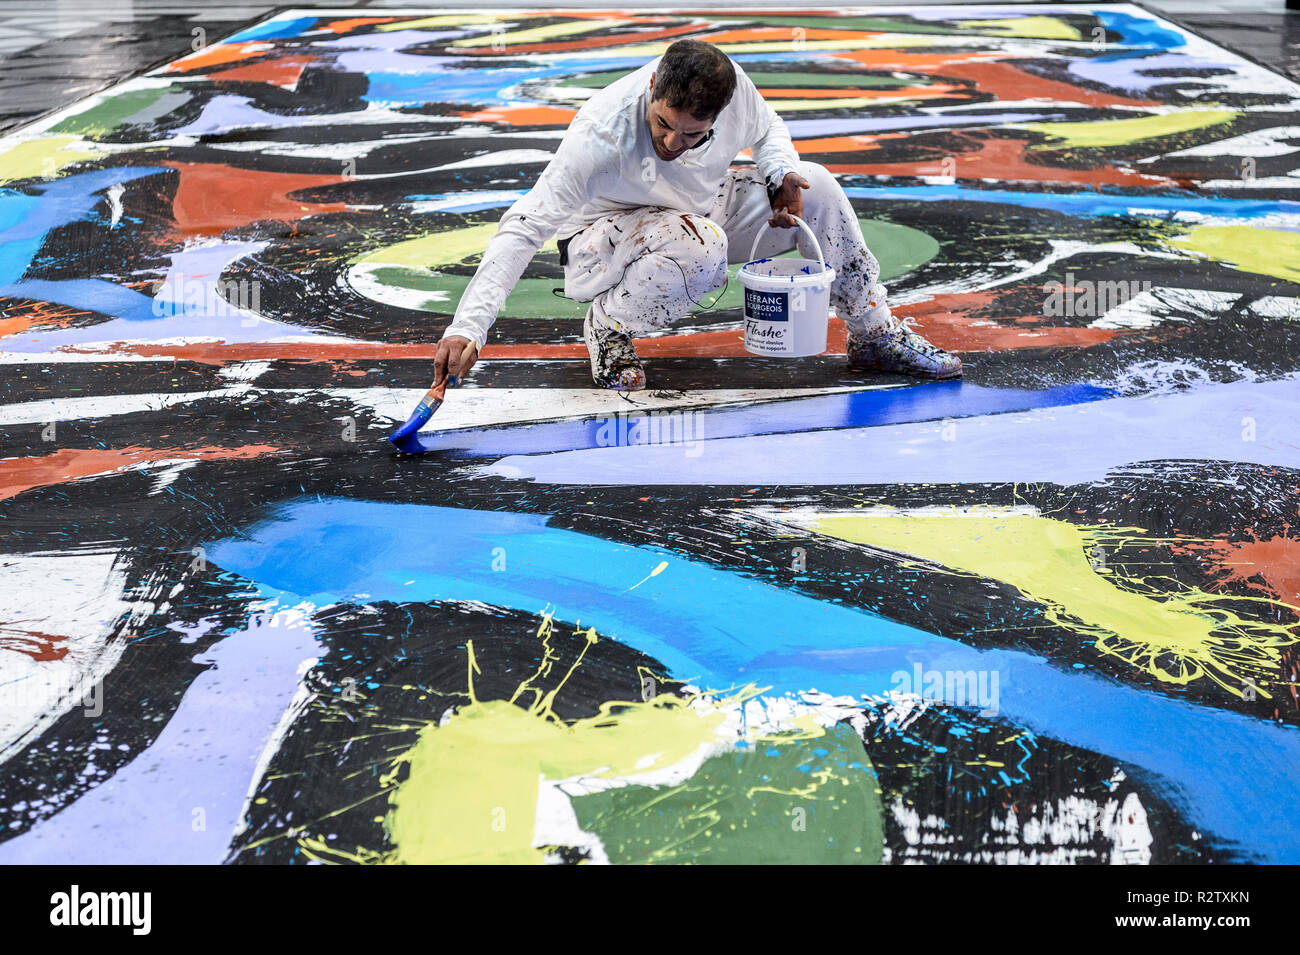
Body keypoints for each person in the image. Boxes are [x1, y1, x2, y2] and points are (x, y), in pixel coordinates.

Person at [433, 38, 961, 391]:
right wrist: (469, 327)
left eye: (691, 135)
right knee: (700, 243)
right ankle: (610, 326)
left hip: (697, 211)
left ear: (715, 114)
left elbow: (769, 126)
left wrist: (779, 173)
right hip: (604, 242)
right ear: (652, 89)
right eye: (663, 124)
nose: (671, 142)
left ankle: (873, 334)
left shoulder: (734, 91)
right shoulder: (599, 133)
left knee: (817, 185)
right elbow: (524, 226)